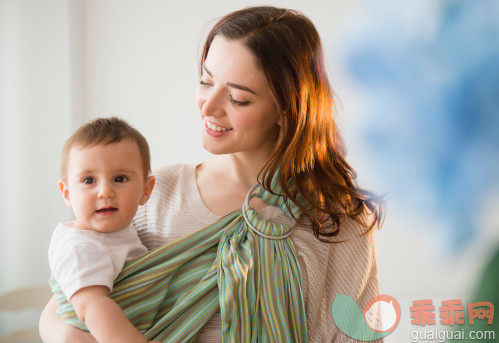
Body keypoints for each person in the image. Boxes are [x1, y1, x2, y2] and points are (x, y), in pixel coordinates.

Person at [40, 6, 384, 342]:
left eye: (237, 98)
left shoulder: (337, 222)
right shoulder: (151, 194)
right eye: (206, 81)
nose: (208, 106)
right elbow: (68, 304)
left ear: (286, 110)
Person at [47, 117, 157, 343]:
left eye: (119, 178)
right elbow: (91, 307)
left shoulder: (116, 234)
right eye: (89, 180)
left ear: (145, 190)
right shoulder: (80, 248)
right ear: (67, 193)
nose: (105, 192)